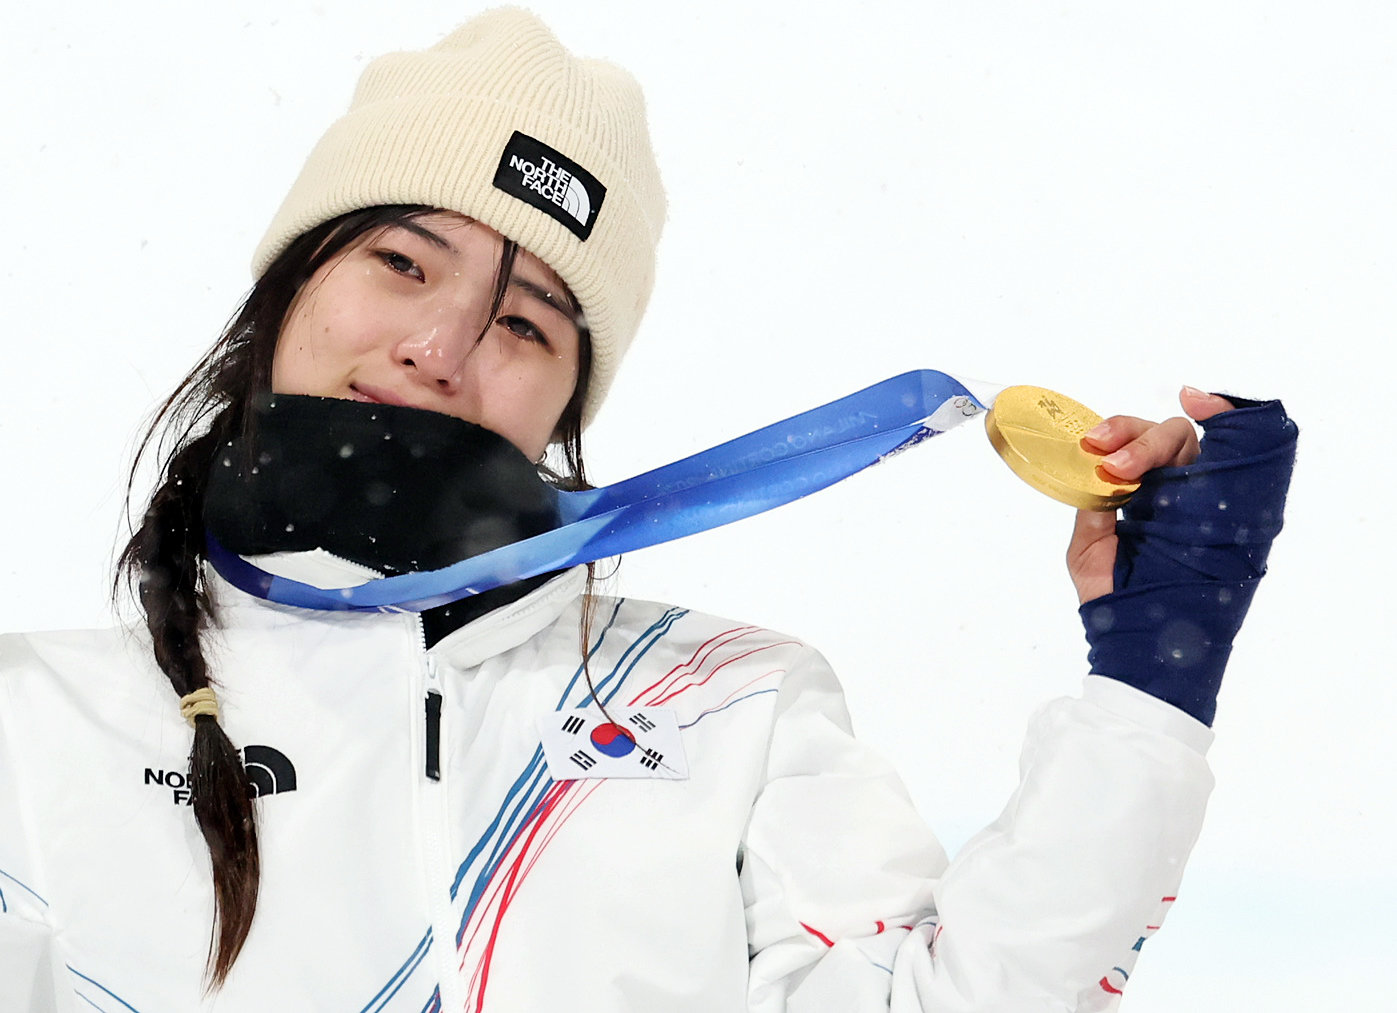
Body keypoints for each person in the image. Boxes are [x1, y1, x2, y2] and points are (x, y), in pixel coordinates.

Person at [0, 9, 1296, 1011]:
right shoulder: (33, 725)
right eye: (400, 261)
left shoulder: (724, 706)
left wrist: (1147, 684)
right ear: (286, 285)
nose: (441, 348)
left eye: (525, 322)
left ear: (569, 401)